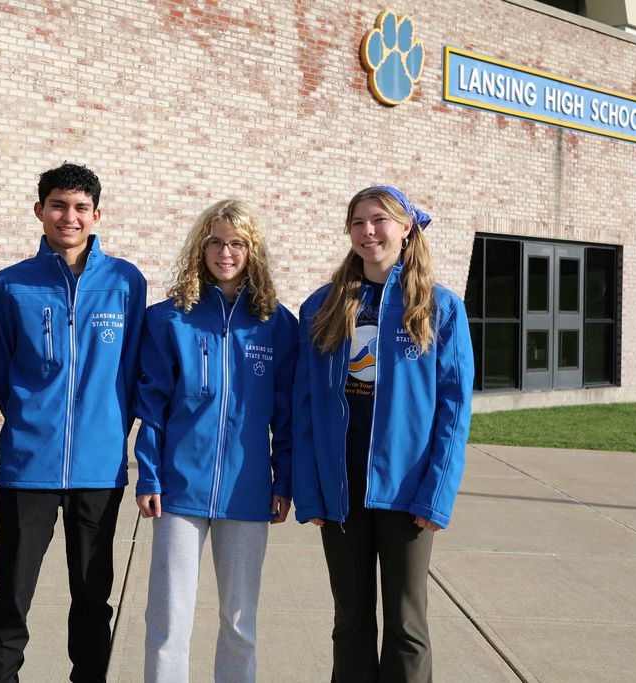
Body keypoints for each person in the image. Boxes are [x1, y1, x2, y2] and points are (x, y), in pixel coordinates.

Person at [291, 186, 474, 682]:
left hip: (407, 490)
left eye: (379, 220)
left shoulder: (440, 308)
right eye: (357, 222)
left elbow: (454, 413)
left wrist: (435, 496)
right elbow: (303, 408)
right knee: (349, 622)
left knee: (406, 626)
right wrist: (310, 493)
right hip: (341, 491)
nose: (368, 231)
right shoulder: (322, 307)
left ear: (406, 226)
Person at [0, 162, 146, 683]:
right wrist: (35, 420)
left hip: (99, 466)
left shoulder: (125, 282)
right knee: (13, 591)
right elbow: (2, 373)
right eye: (58, 205)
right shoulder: (11, 285)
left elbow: (135, 367)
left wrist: (108, 427)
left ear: (96, 215)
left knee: (93, 595)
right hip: (29, 463)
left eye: (79, 208)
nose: (68, 217)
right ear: (40, 211)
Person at [134, 199, 298, 683]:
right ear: (200, 247)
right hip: (180, 490)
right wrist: (149, 473)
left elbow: (285, 416)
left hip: (247, 494)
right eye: (215, 242)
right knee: (168, 620)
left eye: (237, 244)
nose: (225, 253)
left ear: (253, 250)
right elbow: (152, 405)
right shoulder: (169, 319)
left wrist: (282, 479)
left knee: (240, 621)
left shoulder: (278, 323)